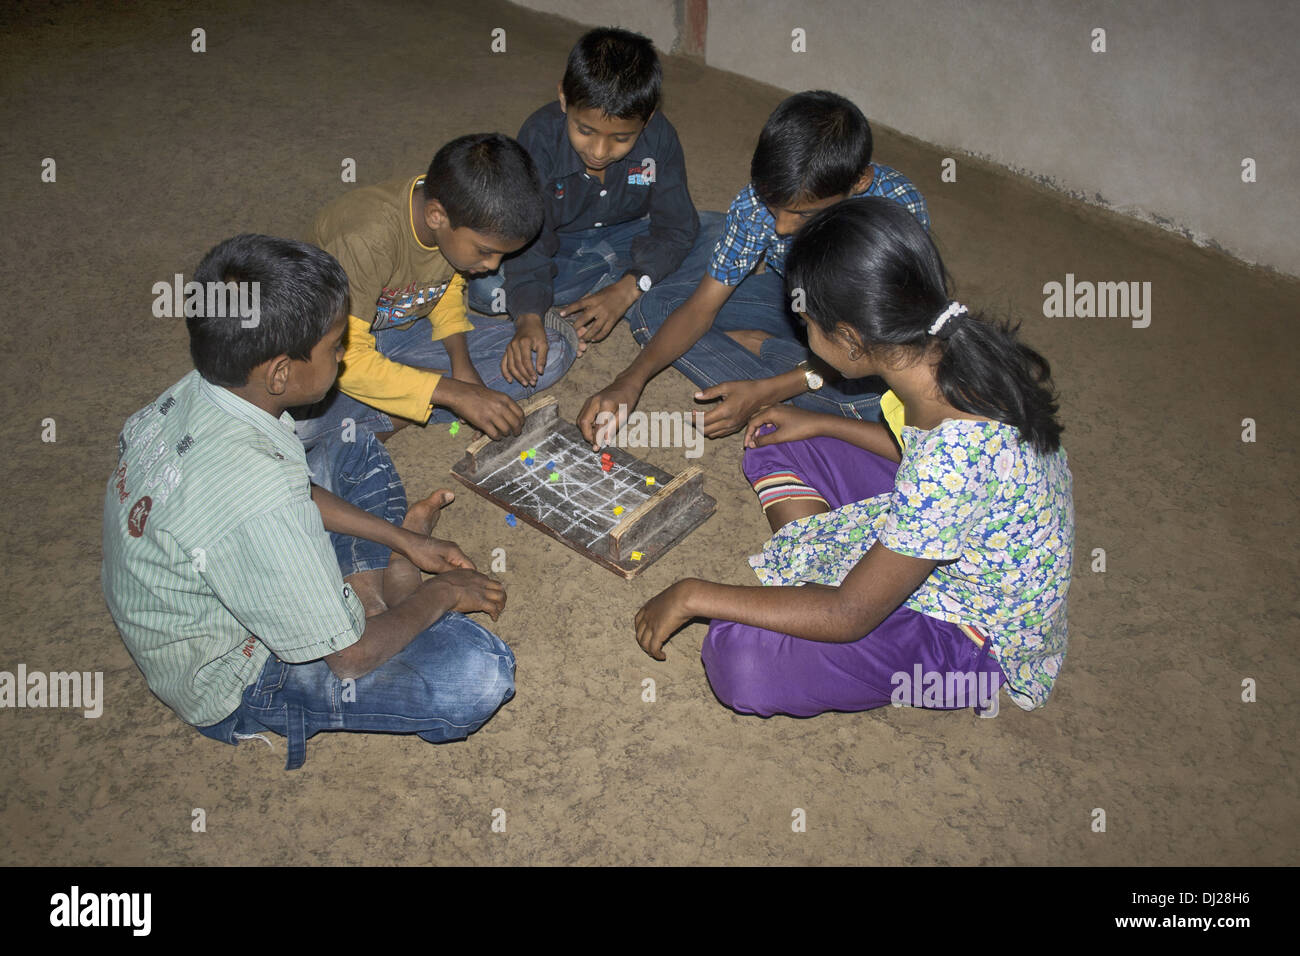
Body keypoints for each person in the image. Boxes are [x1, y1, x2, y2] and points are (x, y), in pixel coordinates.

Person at [633, 198, 1073, 718]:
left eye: (809, 325)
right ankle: (820, 580)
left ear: (850, 340)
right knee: (780, 437)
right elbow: (917, 454)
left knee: (740, 656)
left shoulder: (954, 456)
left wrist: (692, 594)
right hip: (948, 530)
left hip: (969, 636)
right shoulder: (947, 350)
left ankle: (818, 589)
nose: (804, 336)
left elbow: (849, 615)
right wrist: (820, 421)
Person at [103, 234, 515, 770]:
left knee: (350, 439)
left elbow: (291, 488)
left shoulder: (196, 391)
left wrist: (404, 539)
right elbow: (349, 660)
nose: (345, 355)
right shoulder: (258, 496)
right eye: (337, 345)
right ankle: (366, 603)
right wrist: (442, 593)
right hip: (234, 673)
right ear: (280, 371)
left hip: (229, 544)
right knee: (479, 671)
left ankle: (362, 596)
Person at [579, 91, 930, 448]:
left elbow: (886, 345)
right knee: (655, 309)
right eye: (773, 205)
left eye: (804, 214)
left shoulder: (895, 213)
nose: (781, 227)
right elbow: (702, 307)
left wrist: (765, 391)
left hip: (863, 338)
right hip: (794, 303)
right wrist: (631, 380)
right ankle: (794, 367)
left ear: (859, 183)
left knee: (886, 400)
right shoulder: (755, 204)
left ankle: (794, 378)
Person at [294, 133, 576, 448]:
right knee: (297, 427)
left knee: (551, 353)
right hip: (333, 348)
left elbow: (444, 286)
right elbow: (350, 360)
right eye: (484, 251)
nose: (494, 266)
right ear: (436, 216)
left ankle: (408, 396)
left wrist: (461, 364)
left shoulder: (452, 219)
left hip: (407, 327)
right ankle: (407, 407)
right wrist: (454, 392)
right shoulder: (365, 238)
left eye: (500, 255)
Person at [468, 26, 698, 388]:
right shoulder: (539, 137)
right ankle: (603, 298)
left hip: (631, 238)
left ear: (648, 118)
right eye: (585, 131)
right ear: (563, 98)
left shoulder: (660, 137)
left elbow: (675, 227)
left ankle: (613, 294)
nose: (599, 152)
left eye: (621, 138)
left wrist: (630, 286)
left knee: (715, 234)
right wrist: (528, 317)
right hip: (561, 246)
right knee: (486, 287)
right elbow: (529, 236)